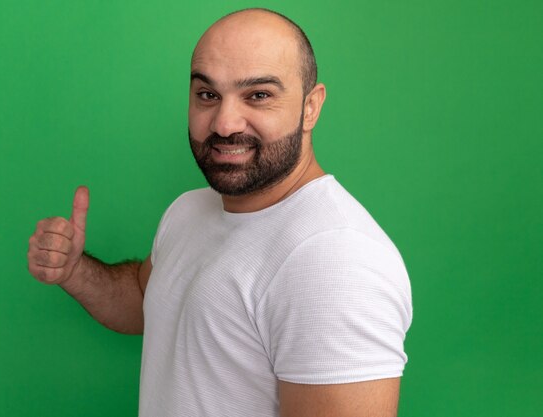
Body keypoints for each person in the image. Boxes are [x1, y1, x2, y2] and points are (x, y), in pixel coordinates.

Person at [27, 8, 412, 417]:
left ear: (311, 106)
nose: (225, 123)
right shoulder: (190, 209)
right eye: (208, 95)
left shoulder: (334, 263)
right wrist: (74, 271)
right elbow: (148, 301)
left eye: (258, 95)